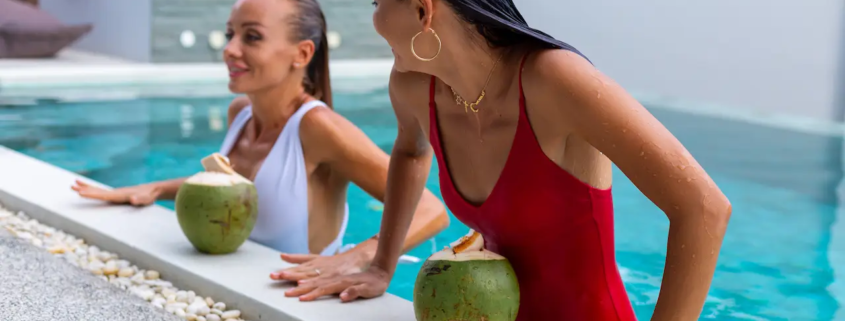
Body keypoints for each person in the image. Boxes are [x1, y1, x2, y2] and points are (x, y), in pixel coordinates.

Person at [286, 0, 734, 320]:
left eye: (377, 3)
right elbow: (409, 149)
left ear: (424, 11)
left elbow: (703, 208)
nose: (375, 19)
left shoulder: (555, 81)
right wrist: (382, 265)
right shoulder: (413, 86)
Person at [70, 0, 450, 298]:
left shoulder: (318, 128)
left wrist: (360, 257)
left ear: (301, 54)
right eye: (229, 34)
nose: (229, 50)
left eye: (251, 37)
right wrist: (155, 188)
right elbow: (238, 183)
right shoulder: (240, 113)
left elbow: (431, 211)